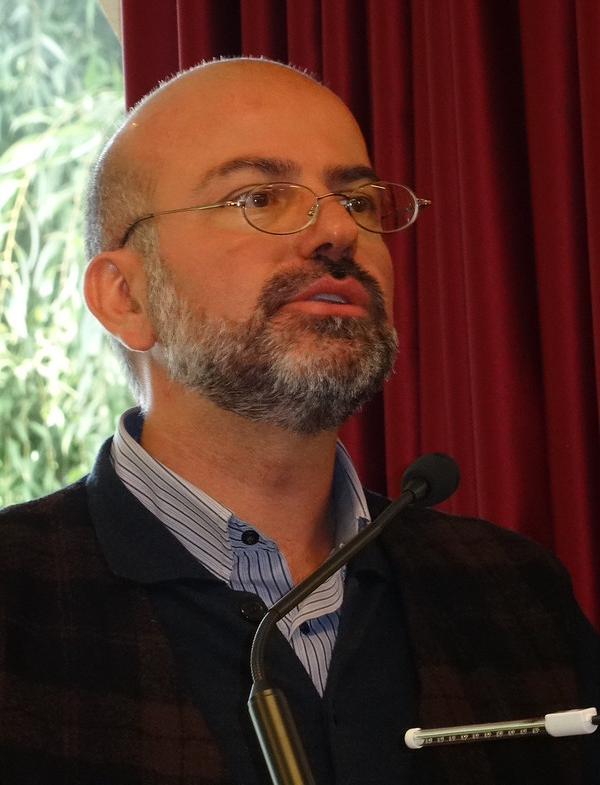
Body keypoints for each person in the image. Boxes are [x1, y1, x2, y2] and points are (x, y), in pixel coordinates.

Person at [0, 58, 598, 785]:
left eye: (360, 200)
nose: (338, 231)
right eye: (259, 197)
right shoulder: (18, 598)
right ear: (125, 296)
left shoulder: (515, 593)